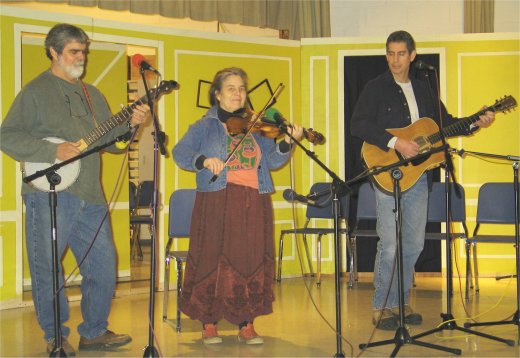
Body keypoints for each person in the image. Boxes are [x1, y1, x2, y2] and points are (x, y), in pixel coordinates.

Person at [0, 23, 150, 354]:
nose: (81, 57)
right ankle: (55, 335)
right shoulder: (35, 91)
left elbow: (111, 144)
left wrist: (133, 125)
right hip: (49, 195)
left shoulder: (93, 94)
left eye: (84, 50)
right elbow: (6, 135)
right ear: (53, 52)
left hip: (91, 196)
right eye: (74, 51)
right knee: (46, 266)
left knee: (103, 265)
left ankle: (94, 331)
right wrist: (51, 151)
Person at [350, 30, 495, 330]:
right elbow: (358, 124)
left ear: (413, 55)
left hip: (418, 178)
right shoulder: (375, 87)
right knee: (390, 243)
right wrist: (396, 143)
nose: (394, 60)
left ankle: (400, 302)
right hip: (387, 174)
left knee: (413, 244)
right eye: (390, 53)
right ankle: (382, 305)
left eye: (401, 54)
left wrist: (474, 123)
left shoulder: (425, 88)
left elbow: (444, 125)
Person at [173, 67, 303, 345]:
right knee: (212, 256)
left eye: (242, 88)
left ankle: (247, 322)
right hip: (217, 197)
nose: (238, 93)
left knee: (250, 258)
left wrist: (289, 143)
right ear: (217, 94)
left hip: (253, 199)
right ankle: (209, 322)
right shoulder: (203, 126)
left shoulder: (256, 126)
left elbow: (274, 161)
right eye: (230, 88)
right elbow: (180, 153)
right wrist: (204, 161)